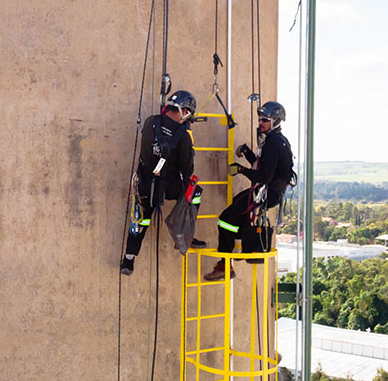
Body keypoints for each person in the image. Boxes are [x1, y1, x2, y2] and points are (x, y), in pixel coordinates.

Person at [203, 101, 294, 281]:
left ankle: (225, 264)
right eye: (260, 119)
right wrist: (247, 153)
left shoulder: (273, 144)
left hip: (267, 192)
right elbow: (264, 165)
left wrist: (241, 170)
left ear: (275, 121)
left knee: (226, 219)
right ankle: (237, 250)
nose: (260, 122)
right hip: (269, 192)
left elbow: (264, 176)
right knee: (238, 211)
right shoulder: (278, 141)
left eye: (265, 120)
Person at [121, 90, 206, 276]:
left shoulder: (151, 122)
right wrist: (189, 148)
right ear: (184, 111)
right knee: (195, 192)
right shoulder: (183, 136)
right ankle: (184, 234)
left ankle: (128, 259)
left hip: (145, 182)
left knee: (141, 219)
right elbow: (187, 170)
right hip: (168, 185)